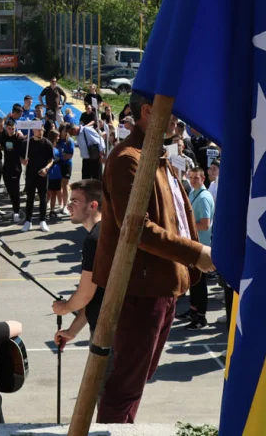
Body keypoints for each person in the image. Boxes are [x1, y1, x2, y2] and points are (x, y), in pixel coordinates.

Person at [94, 92, 213, 424]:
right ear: (147, 111)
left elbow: (177, 216)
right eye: (171, 111)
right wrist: (196, 253)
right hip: (140, 290)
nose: (178, 119)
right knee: (125, 384)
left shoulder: (156, 156)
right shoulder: (128, 159)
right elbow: (137, 228)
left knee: (137, 378)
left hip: (162, 286)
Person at [53, 179, 105, 341]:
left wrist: (64, 308)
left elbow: (85, 294)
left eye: (75, 201)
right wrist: (72, 331)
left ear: (93, 205)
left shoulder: (95, 239)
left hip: (110, 330)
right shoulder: (103, 232)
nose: (69, 206)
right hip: (108, 326)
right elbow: (97, 295)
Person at [181, 167, 215, 329]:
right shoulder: (193, 193)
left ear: (203, 179)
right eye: (191, 177)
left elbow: (205, 224)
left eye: (196, 178)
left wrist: (186, 226)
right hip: (193, 243)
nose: (193, 180)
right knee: (194, 281)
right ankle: (193, 310)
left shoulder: (203, 198)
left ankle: (201, 317)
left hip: (201, 245)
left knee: (200, 283)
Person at [19, 127, 54, 233]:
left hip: (43, 173)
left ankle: (43, 221)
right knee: (30, 197)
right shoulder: (26, 143)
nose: (40, 132)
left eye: (42, 129)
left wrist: (46, 168)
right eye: (38, 130)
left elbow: (51, 159)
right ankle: (28, 221)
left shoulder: (47, 143)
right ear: (33, 130)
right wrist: (23, 161)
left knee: (43, 197)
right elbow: (21, 157)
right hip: (30, 173)